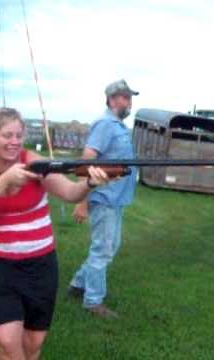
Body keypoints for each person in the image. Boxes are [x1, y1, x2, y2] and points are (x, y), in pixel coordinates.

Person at [0, 107, 109, 360]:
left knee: (32, 343)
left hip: (40, 265)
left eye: (19, 135)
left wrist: (90, 184)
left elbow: (71, 194)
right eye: (7, 135)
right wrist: (5, 180)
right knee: (7, 342)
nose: (15, 141)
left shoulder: (34, 163)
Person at [68, 79, 139, 318]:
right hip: (104, 197)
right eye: (126, 97)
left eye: (130, 98)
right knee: (103, 250)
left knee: (110, 247)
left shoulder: (118, 125)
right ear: (112, 98)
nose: (130, 102)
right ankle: (93, 301)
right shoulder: (105, 124)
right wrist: (81, 201)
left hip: (116, 198)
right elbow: (87, 161)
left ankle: (78, 284)